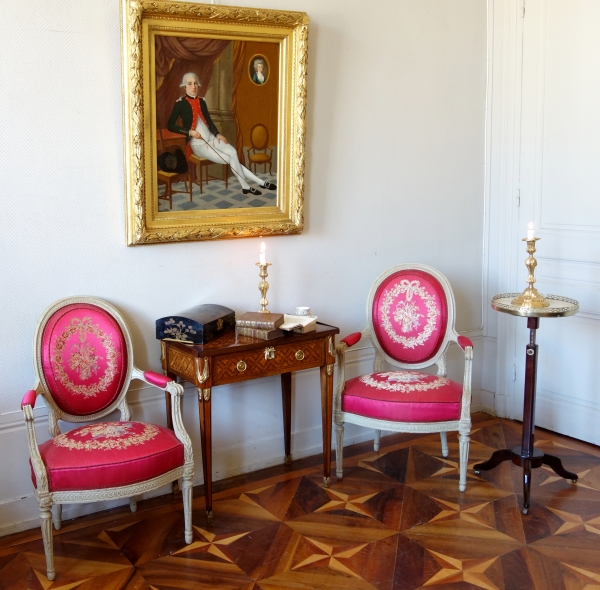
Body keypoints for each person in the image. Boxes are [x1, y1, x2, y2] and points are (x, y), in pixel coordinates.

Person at [167, 72, 275, 195]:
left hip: (212, 138)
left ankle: (253, 185)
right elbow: (170, 125)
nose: (193, 86)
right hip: (197, 145)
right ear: (184, 87)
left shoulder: (202, 101)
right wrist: (189, 132)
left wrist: (217, 134)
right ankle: (254, 184)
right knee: (229, 159)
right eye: (190, 84)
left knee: (233, 152)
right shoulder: (180, 104)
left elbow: (209, 121)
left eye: (195, 83)